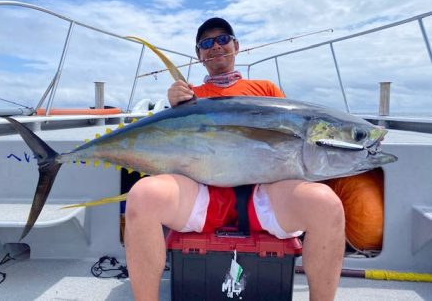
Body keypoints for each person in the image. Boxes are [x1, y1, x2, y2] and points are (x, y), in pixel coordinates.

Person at [124, 18, 345, 301]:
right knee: (142, 195)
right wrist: (172, 104)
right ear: (199, 55)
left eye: (223, 39)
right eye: (206, 43)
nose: (215, 46)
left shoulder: (266, 90)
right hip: (202, 194)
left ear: (236, 46)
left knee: (327, 204)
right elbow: (171, 144)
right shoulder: (189, 98)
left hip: (263, 193)